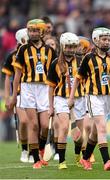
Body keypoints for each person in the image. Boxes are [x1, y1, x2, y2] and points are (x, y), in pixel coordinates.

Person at [68, 27, 110, 171]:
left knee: (94, 131)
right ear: (95, 40)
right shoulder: (88, 58)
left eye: (108, 39)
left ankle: (85, 158)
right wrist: (71, 97)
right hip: (93, 97)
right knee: (102, 128)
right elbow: (77, 79)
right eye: (103, 39)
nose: (106, 42)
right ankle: (107, 160)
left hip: (107, 97)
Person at [8, 19, 56, 169]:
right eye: (31, 30)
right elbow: (17, 75)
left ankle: (40, 151)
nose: (33, 33)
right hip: (27, 88)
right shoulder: (23, 50)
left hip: (44, 89)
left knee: (44, 126)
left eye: (36, 30)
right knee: (33, 125)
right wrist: (14, 96)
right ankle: (36, 160)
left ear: (42, 32)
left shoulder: (50, 50)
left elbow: (54, 74)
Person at [47, 32, 87, 169]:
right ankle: (62, 162)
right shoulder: (54, 64)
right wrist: (51, 107)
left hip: (79, 99)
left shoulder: (82, 62)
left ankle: (77, 157)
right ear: (63, 46)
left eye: (73, 47)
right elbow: (51, 87)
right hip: (61, 99)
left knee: (79, 134)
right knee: (64, 127)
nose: (70, 49)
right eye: (68, 46)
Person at [2, 28, 34, 163]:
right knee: (25, 121)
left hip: (35, 93)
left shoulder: (36, 53)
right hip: (20, 92)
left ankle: (34, 151)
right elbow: (8, 77)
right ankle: (25, 149)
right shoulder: (13, 55)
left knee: (34, 123)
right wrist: (8, 97)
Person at [75, 36, 95, 164]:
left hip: (88, 96)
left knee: (88, 126)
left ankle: (88, 153)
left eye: (80, 46)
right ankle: (79, 153)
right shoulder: (71, 61)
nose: (78, 48)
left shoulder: (91, 60)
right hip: (76, 98)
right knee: (79, 131)